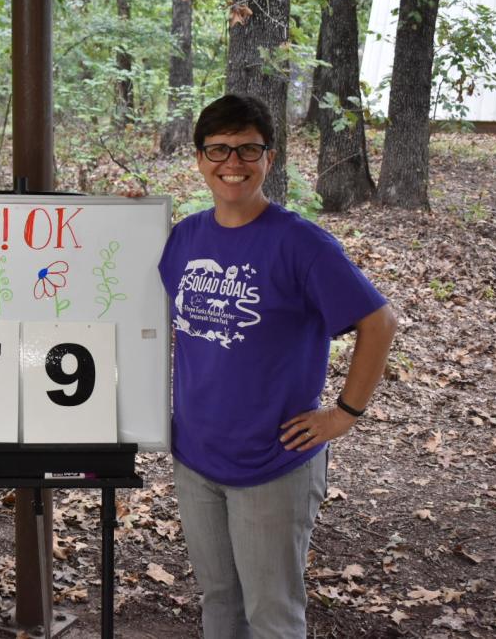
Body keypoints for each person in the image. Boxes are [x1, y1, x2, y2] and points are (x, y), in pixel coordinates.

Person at [157, 94, 396, 638]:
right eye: (218, 149)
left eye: (247, 150)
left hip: (273, 462)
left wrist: (344, 414)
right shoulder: (184, 238)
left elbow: (379, 322)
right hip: (196, 455)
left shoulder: (299, 242)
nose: (232, 164)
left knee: (271, 612)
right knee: (219, 600)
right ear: (199, 158)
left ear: (270, 157)